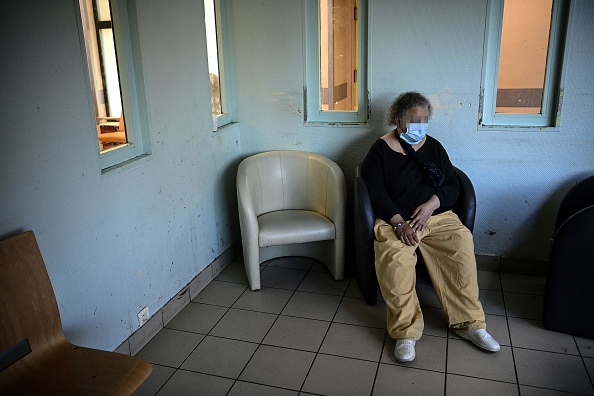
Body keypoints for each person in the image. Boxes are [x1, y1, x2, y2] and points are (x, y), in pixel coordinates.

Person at [361, 92, 500, 363]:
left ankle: (470, 324)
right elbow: (374, 191)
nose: (420, 126)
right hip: (396, 220)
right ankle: (405, 332)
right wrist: (399, 222)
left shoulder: (434, 147)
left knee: (460, 245)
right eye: (414, 120)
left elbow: (451, 183)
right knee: (395, 260)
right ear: (398, 120)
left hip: (435, 217)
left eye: (424, 120)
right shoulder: (380, 150)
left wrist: (431, 205)